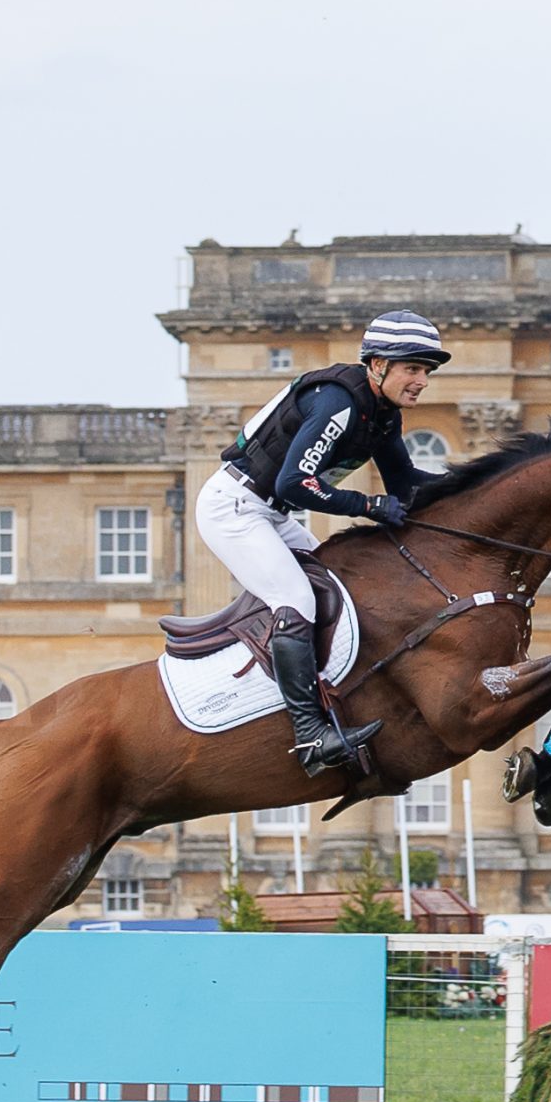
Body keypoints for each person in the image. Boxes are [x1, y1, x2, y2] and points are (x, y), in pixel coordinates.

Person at [197, 310, 449, 774]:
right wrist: (367, 507)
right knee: (295, 598)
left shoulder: (382, 414)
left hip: (269, 513)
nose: (422, 381)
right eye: (413, 368)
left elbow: (406, 483)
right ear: (377, 365)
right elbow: (296, 483)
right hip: (234, 508)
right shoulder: (339, 402)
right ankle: (311, 735)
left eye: (426, 371)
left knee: (343, 592)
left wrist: (479, 486)